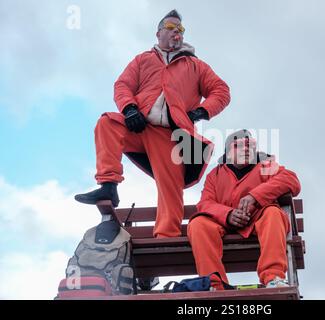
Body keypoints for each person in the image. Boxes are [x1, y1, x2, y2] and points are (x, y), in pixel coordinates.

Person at [75, 10, 230, 238]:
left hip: (169, 135)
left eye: (180, 29)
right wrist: (129, 109)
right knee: (108, 123)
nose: (176, 32)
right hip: (139, 126)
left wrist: (202, 111)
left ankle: (166, 239)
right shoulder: (142, 60)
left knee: (170, 189)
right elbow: (123, 85)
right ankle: (108, 185)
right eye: (171, 27)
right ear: (158, 33)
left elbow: (221, 91)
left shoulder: (196, 66)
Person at [187, 130, 301, 290]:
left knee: (273, 213)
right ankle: (214, 285)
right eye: (239, 145)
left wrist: (255, 196)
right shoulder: (215, 174)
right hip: (223, 224)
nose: (246, 149)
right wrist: (227, 214)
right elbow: (205, 203)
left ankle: (273, 278)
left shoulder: (267, 166)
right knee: (198, 224)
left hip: (258, 219)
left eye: (250, 146)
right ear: (228, 152)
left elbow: (291, 180)